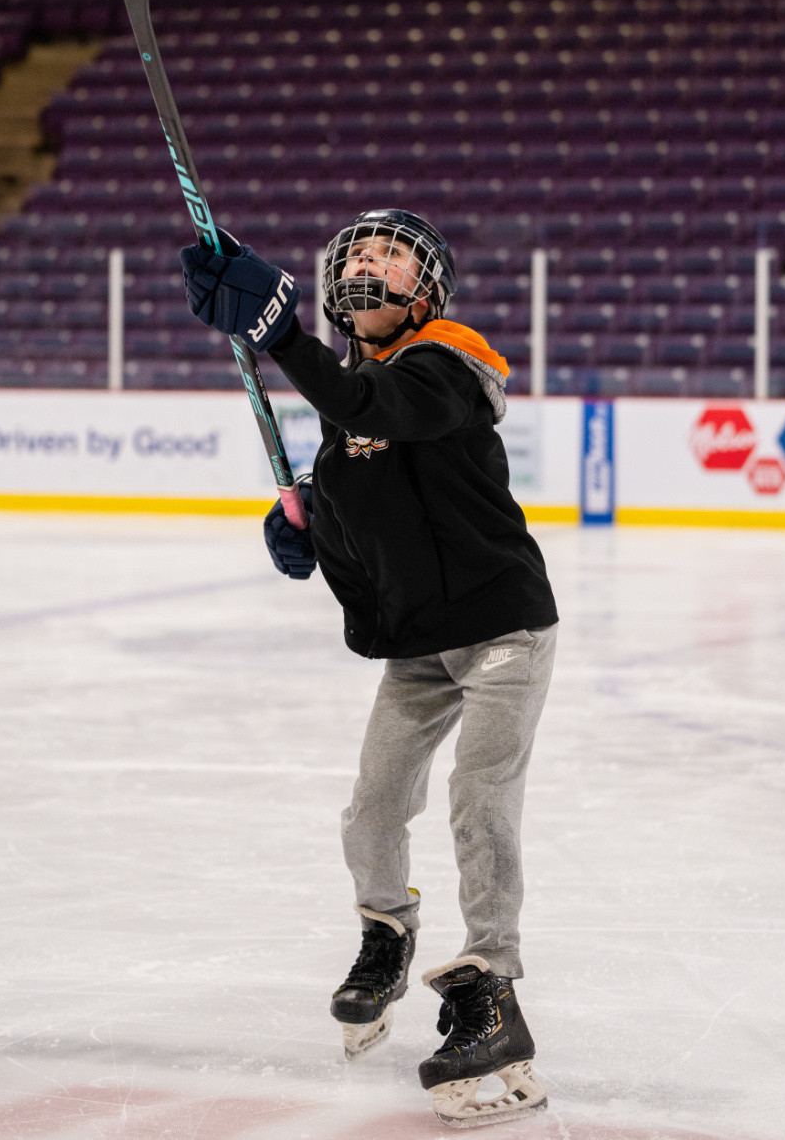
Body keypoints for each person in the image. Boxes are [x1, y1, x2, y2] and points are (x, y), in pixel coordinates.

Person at [180, 208, 558, 1128]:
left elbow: (380, 406)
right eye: (356, 252)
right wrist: (312, 528)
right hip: (422, 649)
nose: (368, 263)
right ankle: (387, 933)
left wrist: (279, 336)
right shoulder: (346, 413)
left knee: (479, 798)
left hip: (503, 629)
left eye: (391, 254)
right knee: (374, 807)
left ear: (425, 290)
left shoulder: (450, 364)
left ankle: (493, 985)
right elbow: (370, 502)